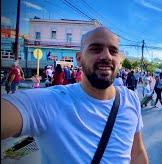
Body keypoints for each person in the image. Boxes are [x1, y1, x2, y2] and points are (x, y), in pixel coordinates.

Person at [1, 27, 148, 163]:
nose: (106, 56)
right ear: (79, 58)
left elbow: (138, 153)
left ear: (119, 60)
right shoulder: (51, 101)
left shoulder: (131, 99)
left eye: (113, 51)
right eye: (96, 49)